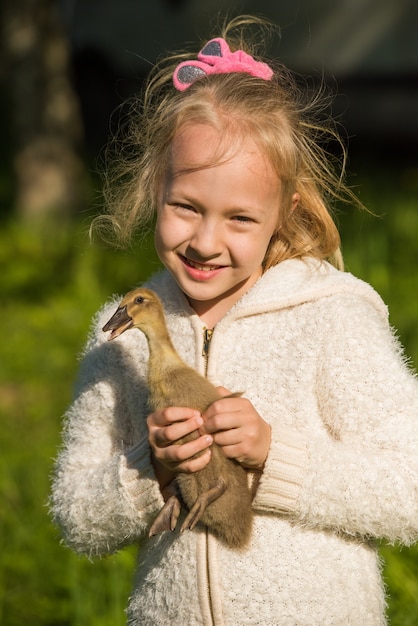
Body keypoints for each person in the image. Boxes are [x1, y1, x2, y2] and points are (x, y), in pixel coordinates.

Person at [50, 15, 418, 625]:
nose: (206, 241)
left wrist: (275, 455)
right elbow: (76, 517)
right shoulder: (121, 335)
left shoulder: (331, 318)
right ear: (153, 189)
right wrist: (152, 468)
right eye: (186, 207)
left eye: (240, 219)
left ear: (284, 211)